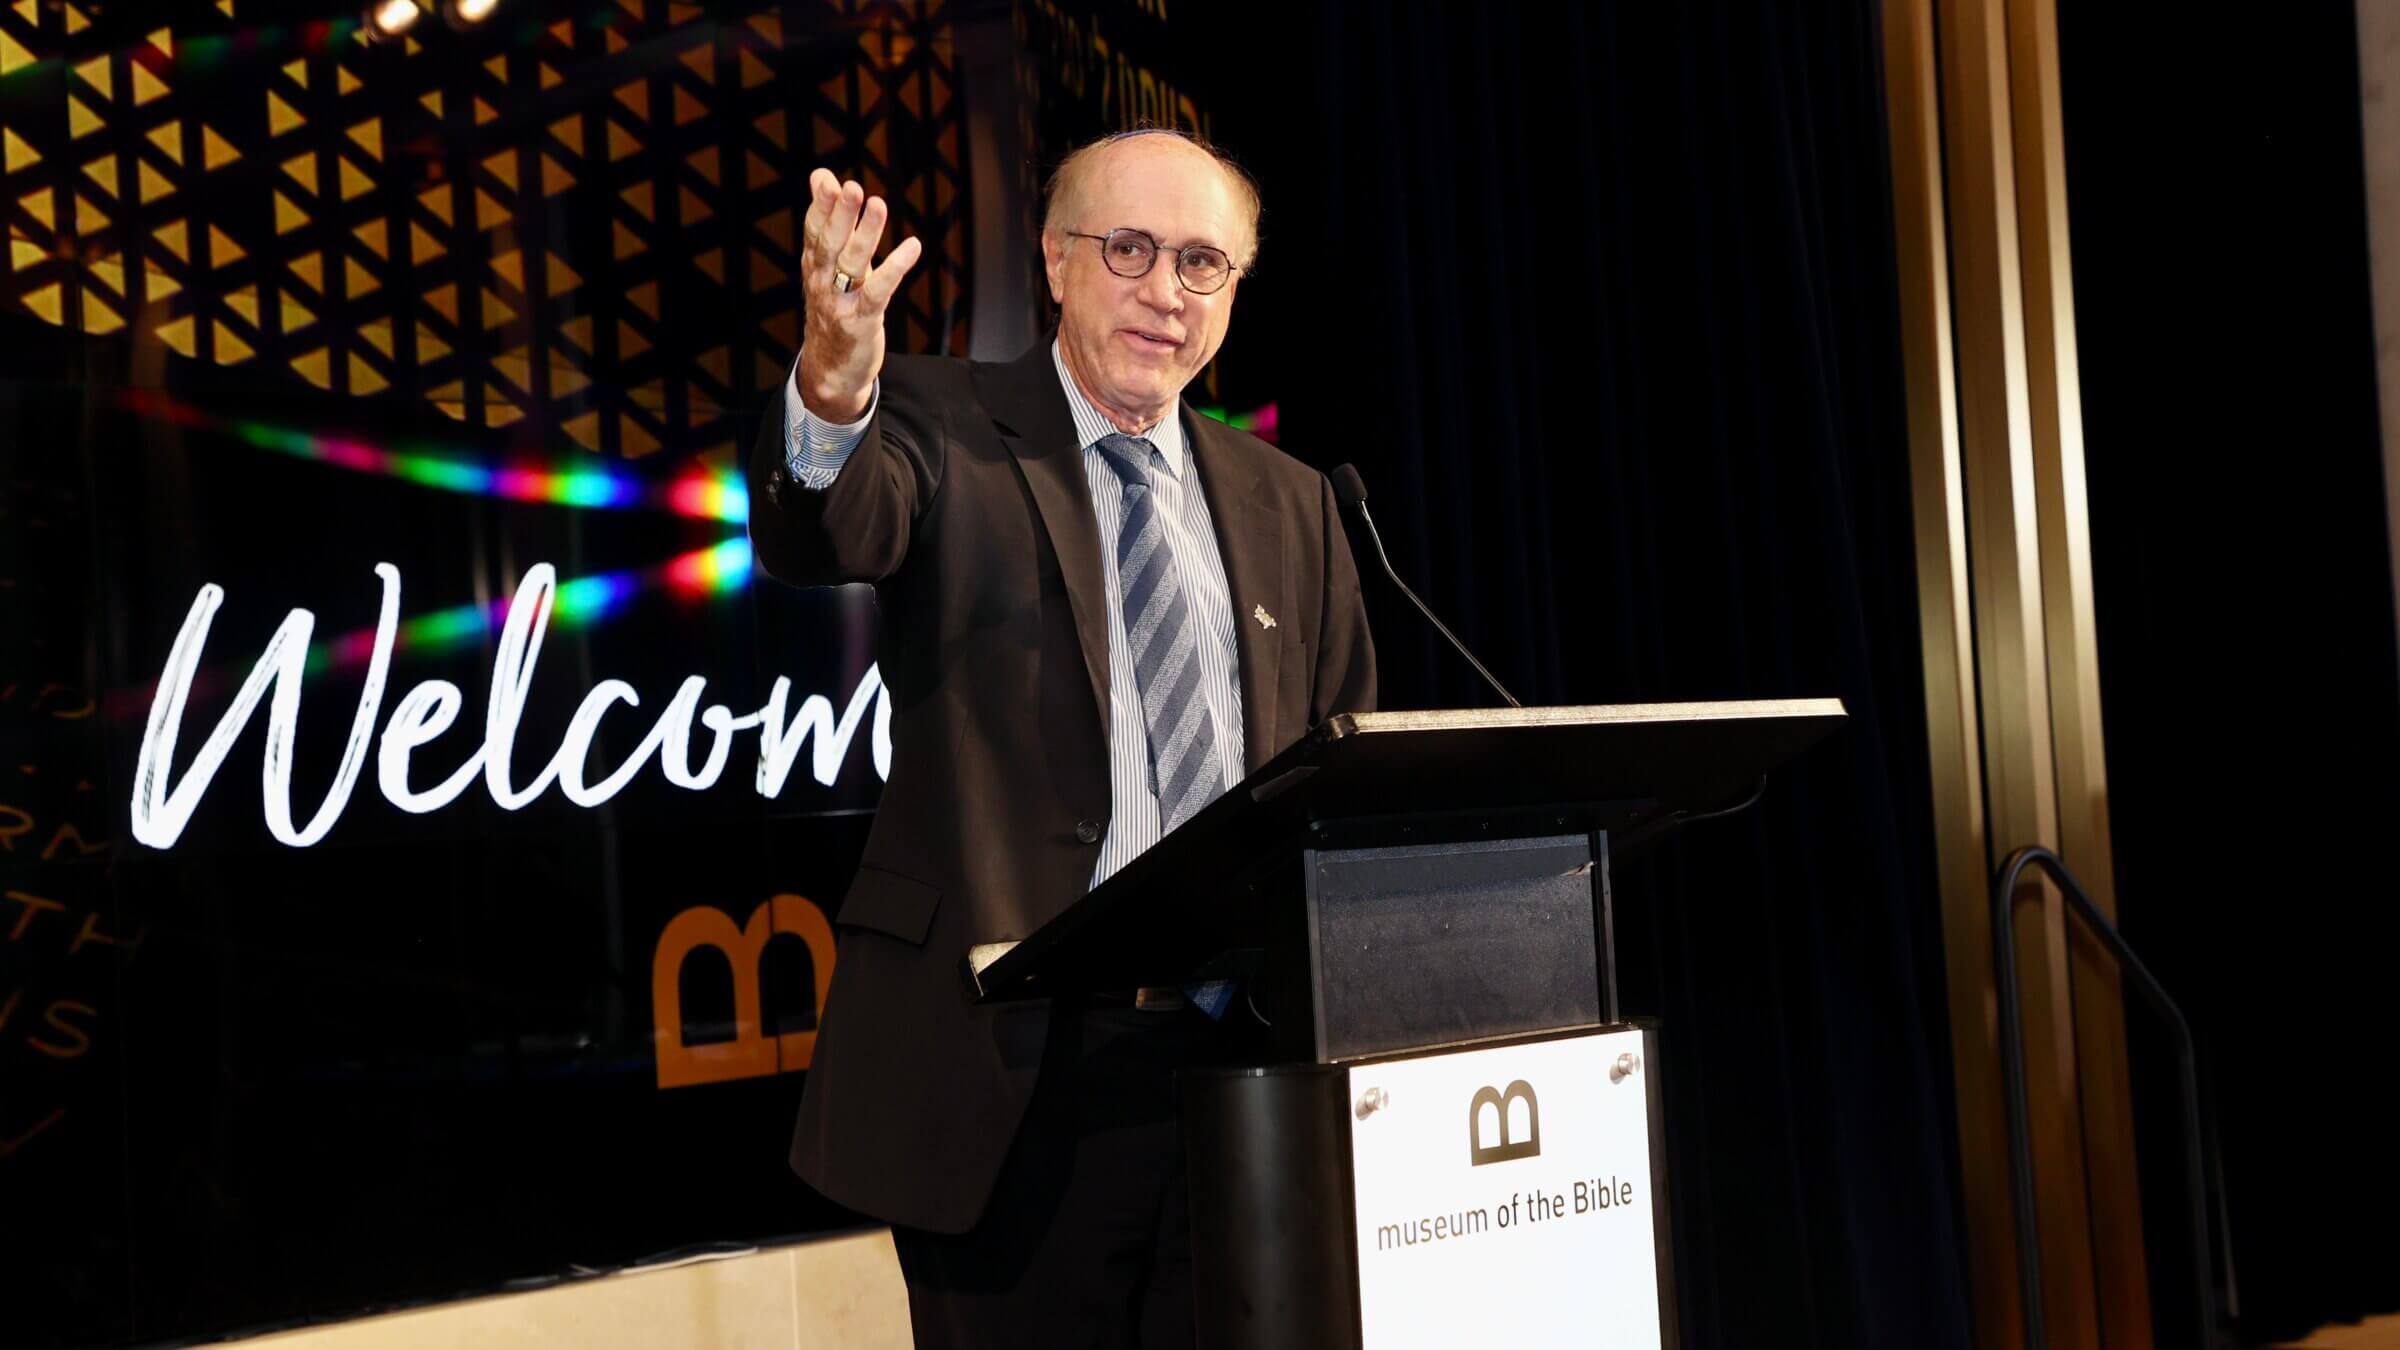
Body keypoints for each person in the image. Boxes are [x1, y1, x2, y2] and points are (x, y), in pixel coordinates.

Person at [746, 128, 1376, 1348]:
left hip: (1244, 1074)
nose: (1164, 291)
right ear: (1053, 260)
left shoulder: (1293, 500)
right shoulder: (939, 420)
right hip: (1013, 1081)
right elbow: (829, 528)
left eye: (1203, 263)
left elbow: (1337, 772)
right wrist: (831, 385)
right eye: (1129, 248)